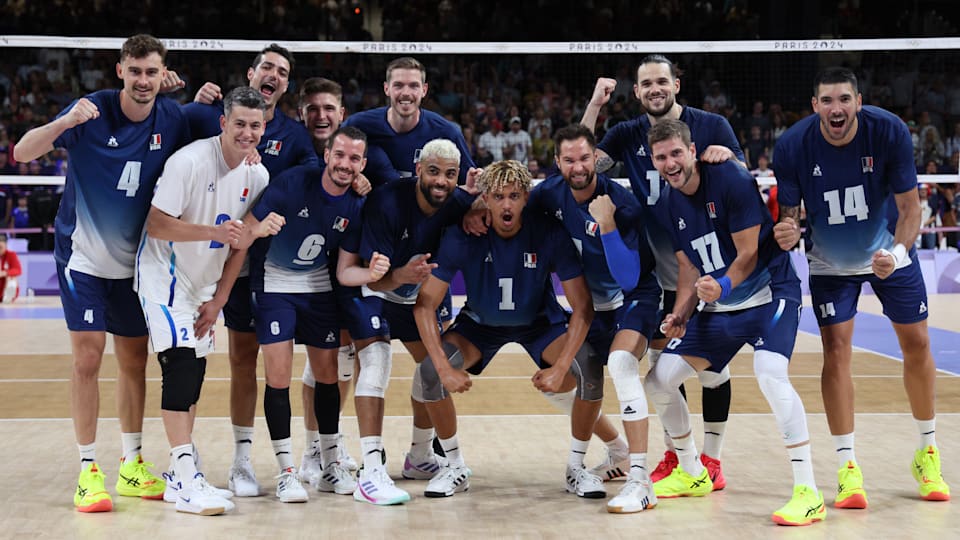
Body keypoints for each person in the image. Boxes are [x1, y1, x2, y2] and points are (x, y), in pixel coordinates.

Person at [13, 34, 191, 513]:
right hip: (84, 260)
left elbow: (216, 142)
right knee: (88, 359)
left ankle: (132, 464)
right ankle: (88, 470)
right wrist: (65, 120)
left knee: (134, 363)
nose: (143, 80)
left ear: (162, 73)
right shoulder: (90, 110)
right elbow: (22, 153)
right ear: (120, 72)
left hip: (135, 266)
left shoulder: (172, 116)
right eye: (135, 72)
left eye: (152, 72)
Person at [774, 66, 950, 507]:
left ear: (858, 101)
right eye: (827, 100)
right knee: (836, 352)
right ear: (815, 106)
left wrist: (900, 254)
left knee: (918, 344)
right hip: (830, 263)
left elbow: (912, 209)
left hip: (889, 251)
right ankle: (847, 467)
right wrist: (788, 230)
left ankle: (927, 452)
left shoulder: (887, 131)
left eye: (844, 99)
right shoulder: (793, 145)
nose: (836, 108)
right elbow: (790, 216)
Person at [646, 118, 824, 526]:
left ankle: (808, 492)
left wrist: (721, 286)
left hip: (769, 294)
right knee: (658, 380)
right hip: (721, 305)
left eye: (676, 153)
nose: (670, 163)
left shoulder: (729, 178)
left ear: (692, 151)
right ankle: (692, 472)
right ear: (653, 162)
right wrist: (681, 313)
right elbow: (688, 268)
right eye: (661, 157)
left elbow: (746, 254)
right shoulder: (669, 204)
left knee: (770, 373)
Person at [580, 54, 742, 487]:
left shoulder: (711, 125)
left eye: (661, 81)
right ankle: (677, 454)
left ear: (676, 85)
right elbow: (582, 160)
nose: (654, 88)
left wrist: (728, 157)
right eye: (646, 83)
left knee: (712, 369)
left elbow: (742, 181)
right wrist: (595, 104)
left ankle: (712, 458)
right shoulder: (627, 133)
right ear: (636, 92)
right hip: (661, 271)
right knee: (667, 365)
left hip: (708, 266)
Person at [413, 160, 598, 499]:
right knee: (428, 373)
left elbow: (583, 308)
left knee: (588, 368)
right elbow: (425, 305)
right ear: (484, 198)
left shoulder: (548, 233)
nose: (507, 205)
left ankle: (577, 468)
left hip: (540, 324)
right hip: (479, 326)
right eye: (498, 197)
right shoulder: (464, 235)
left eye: (514, 196)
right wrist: (443, 367)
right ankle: (454, 466)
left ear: (527, 197)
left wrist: (559, 367)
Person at [135, 86, 280, 515]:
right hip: (164, 278)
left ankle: (182, 475)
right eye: (240, 124)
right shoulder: (190, 162)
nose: (247, 133)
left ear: (264, 127)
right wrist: (213, 233)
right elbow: (157, 224)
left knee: (193, 374)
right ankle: (184, 473)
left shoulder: (258, 176)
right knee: (180, 366)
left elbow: (241, 247)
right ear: (224, 123)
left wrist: (219, 299)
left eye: (255, 125)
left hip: (203, 288)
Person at [183, 43, 318, 496]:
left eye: (282, 71)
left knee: (264, 363)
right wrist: (184, 98)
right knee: (219, 361)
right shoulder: (211, 113)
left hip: (261, 267)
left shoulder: (296, 137)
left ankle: (262, 461)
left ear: (285, 84)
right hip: (203, 260)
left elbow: (315, 182)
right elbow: (170, 129)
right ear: (251, 72)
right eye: (267, 66)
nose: (273, 74)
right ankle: (216, 458)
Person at [336, 138, 480, 505]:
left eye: (450, 175)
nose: (441, 181)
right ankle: (366, 467)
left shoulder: (456, 202)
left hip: (417, 300)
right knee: (372, 364)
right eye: (433, 171)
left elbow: (485, 207)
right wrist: (400, 274)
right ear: (418, 170)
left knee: (429, 372)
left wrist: (478, 207)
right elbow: (372, 277)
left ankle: (419, 456)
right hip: (379, 291)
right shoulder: (387, 202)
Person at [528, 125, 661, 512]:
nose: (578, 166)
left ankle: (640, 479)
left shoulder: (623, 204)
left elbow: (628, 278)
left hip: (633, 296)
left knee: (621, 364)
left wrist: (606, 224)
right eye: (569, 160)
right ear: (557, 163)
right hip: (589, 306)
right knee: (557, 383)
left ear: (597, 159)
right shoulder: (548, 195)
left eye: (585, 158)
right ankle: (618, 450)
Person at [244, 126, 374, 503]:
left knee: (328, 377)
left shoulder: (356, 204)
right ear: (327, 155)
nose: (345, 164)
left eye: (354, 159)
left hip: (318, 287)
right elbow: (248, 230)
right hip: (274, 284)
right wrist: (257, 231)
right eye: (339, 155)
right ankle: (286, 472)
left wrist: (376, 274)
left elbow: (344, 269)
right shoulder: (292, 182)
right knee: (279, 377)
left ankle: (331, 465)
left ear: (362, 164)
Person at [343, 56, 475, 186]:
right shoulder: (357, 125)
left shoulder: (447, 133)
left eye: (413, 86)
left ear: (424, 90)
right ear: (386, 89)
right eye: (398, 85)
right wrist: (354, 178)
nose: (406, 93)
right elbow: (330, 165)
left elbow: (470, 187)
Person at [0, 234, 22, 302]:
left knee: (12, 277)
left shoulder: (11, 255)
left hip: (5, 287)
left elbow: (18, 270)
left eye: (0, 247)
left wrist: (4, 273)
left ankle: (8, 297)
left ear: (6, 246)